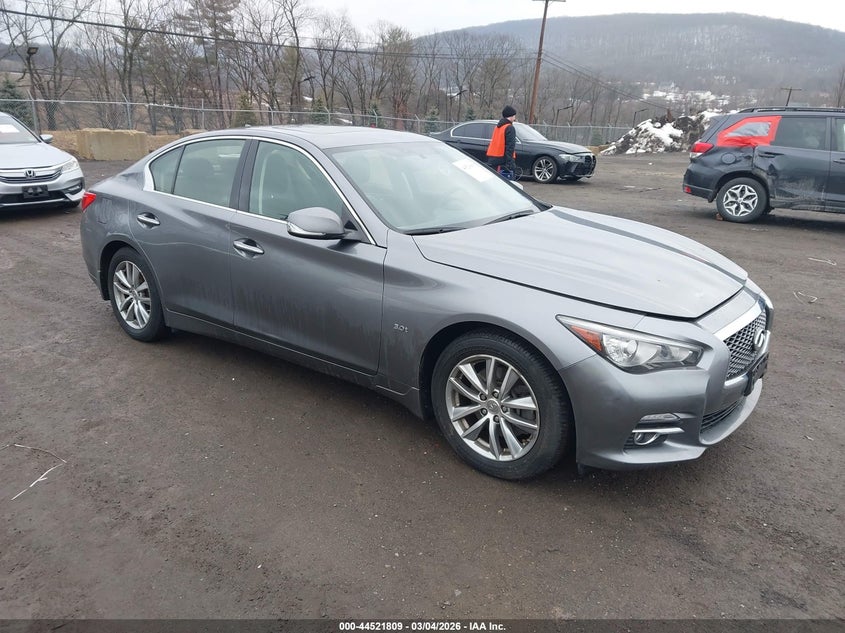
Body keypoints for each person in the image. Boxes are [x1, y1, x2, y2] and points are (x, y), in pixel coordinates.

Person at [486, 105, 517, 175]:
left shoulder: (498, 127)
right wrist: (510, 164)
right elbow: (510, 146)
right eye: (514, 116)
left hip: (493, 158)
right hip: (503, 159)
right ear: (511, 116)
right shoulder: (510, 128)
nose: (514, 118)